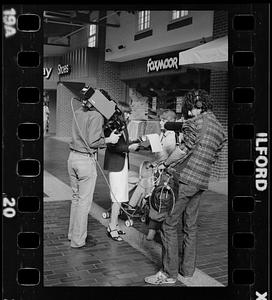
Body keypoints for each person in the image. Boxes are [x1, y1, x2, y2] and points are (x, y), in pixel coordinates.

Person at [145, 89, 227, 285]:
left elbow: (182, 150)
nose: (189, 113)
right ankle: (187, 270)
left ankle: (168, 273)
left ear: (197, 106)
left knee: (169, 225)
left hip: (184, 180)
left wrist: (165, 164)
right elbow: (214, 157)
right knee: (190, 226)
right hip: (201, 182)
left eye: (190, 109)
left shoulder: (194, 123)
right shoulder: (220, 129)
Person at [67, 91, 121, 248]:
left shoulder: (78, 112)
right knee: (84, 203)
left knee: (76, 199)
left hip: (72, 159)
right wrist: (109, 139)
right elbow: (92, 141)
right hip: (85, 161)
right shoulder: (96, 116)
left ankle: (72, 235)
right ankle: (78, 241)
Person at [104, 101, 139, 242]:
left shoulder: (123, 125)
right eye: (127, 112)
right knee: (117, 198)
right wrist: (129, 148)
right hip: (116, 165)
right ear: (121, 112)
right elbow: (113, 147)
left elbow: (123, 144)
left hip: (122, 164)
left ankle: (115, 225)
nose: (129, 115)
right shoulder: (112, 125)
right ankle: (112, 227)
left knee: (121, 196)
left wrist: (135, 143)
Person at [146, 109, 180, 241]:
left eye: (164, 120)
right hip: (159, 172)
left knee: (162, 202)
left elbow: (171, 157)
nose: (161, 122)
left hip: (167, 174)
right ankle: (155, 231)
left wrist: (161, 162)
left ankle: (154, 231)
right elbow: (159, 155)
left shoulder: (171, 137)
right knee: (159, 201)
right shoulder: (163, 135)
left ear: (171, 122)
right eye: (160, 120)